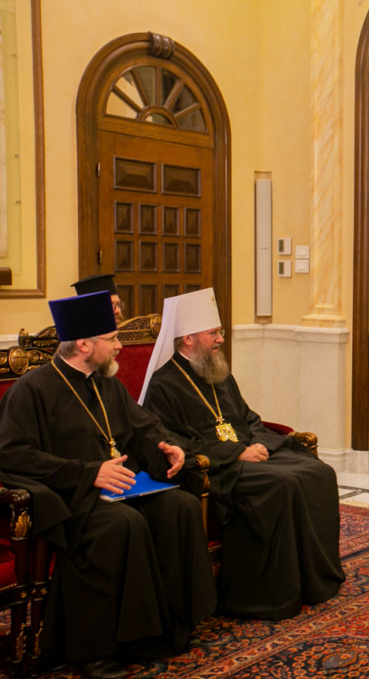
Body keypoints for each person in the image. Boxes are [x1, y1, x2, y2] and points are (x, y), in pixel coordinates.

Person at [0, 291, 215, 679]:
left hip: (122, 487)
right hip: (72, 496)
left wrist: (167, 449)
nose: (120, 347)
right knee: (122, 525)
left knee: (180, 507)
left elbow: (143, 429)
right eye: (112, 339)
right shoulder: (31, 390)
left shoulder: (107, 385)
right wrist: (88, 473)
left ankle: (165, 629)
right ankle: (97, 650)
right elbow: (13, 454)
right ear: (84, 344)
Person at [139, 288, 345, 621]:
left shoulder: (217, 372)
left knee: (318, 472)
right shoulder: (164, 385)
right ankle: (270, 595)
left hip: (247, 452)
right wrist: (237, 453)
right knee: (283, 484)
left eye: (219, 332)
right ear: (188, 339)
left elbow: (247, 417)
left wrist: (259, 444)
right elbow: (173, 440)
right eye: (214, 333)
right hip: (216, 468)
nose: (221, 339)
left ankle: (315, 579)